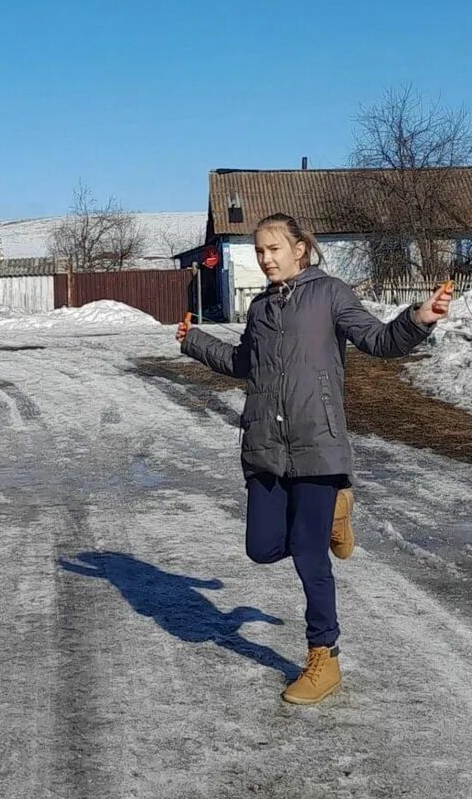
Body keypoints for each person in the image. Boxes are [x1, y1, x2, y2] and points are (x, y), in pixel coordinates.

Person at [177, 213, 452, 705]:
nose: (265, 259)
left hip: (317, 444)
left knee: (307, 554)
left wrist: (418, 319)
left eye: (274, 249)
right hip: (265, 443)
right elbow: (244, 364)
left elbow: (377, 340)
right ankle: (334, 517)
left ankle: (323, 656)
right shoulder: (261, 307)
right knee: (261, 548)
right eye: (260, 251)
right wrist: (194, 342)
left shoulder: (330, 293)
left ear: (300, 249)